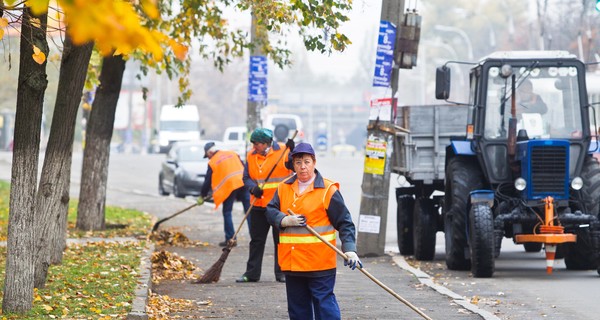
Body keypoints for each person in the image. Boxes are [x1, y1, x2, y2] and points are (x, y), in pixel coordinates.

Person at [265, 142, 362, 320]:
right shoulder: (283, 188)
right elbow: (270, 211)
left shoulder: (327, 190)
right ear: (293, 165)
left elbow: (345, 223)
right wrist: (283, 220)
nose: (303, 167)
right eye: (298, 162)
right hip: (292, 263)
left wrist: (349, 249)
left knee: (325, 308)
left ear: (314, 162)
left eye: (307, 162)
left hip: (320, 264)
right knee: (298, 311)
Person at [236, 128, 294, 283]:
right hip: (258, 204)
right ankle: (252, 273)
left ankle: (281, 273)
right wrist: (252, 188)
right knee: (256, 241)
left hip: (278, 206)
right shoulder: (251, 155)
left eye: (257, 144)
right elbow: (246, 177)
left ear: (266, 143)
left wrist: (293, 151)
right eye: (253, 144)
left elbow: (295, 166)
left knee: (280, 240)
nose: (254, 147)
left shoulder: (283, 151)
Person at [200, 141, 250, 247]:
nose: (208, 158)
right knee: (249, 212)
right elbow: (244, 167)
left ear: (210, 153)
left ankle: (230, 239)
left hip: (229, 187)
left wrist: (202, 195)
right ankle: (256, 237)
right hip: (243, 183)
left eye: (207, 155)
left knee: (227, 212)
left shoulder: (213, 162)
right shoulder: (232, 153)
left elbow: (207, 181)